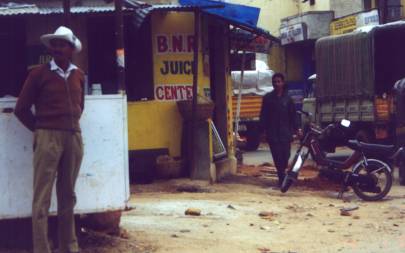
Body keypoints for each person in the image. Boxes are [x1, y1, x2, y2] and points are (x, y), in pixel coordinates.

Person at [15, 26, 84, 253]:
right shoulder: (38, 73)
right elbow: (21, 109)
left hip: (73, 137)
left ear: (71, 49)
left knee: (68, 196)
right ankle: (42, 249)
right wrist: (41, 129)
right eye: (54, 44)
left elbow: (79, 106)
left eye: (62, 44)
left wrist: (69, 126)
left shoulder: (78, 75)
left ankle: (68, 247)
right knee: (42, 197)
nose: (57, 48)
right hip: (47, 137)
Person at [260, 73, 300, 188]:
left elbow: (293, 116)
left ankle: (283, 173)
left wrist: (297, 129)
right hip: (272, 133)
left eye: (278, 81)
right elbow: (263, 116)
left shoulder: (288, 99)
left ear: (283, 83)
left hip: (285, 133)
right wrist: (262, 131)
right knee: (277, 156)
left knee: (285, 155)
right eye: (274, 82)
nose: (276, 84)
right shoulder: (267, 98)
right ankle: (281, 178)